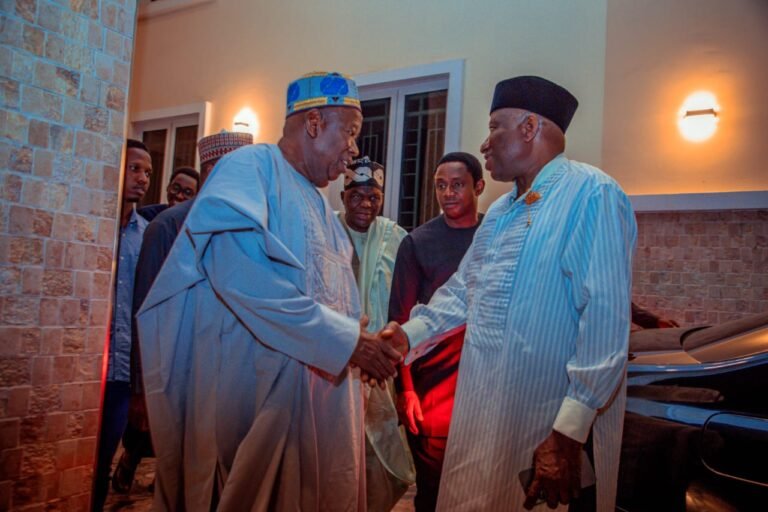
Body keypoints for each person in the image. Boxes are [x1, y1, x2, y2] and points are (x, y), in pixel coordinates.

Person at [136, 72, 404, 511]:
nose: (354, 149)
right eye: (350, 133)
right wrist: (349, 343)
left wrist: (364, 343)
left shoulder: (319, 202)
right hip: (257, 401)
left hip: (320, 401)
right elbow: (245, 278)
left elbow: (335, 297)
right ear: (314, 123)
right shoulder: (250, 169)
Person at [384, 76, 637, 511]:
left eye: (494, 127)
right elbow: (463, 291)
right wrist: (407, 336)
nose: (485, 144)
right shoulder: (501, 210)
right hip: (483, 416)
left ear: (529, 127)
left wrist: (567, 433)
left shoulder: (592, 193)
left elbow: (605, 319)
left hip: (547, 427)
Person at [110, 131, 253, 495]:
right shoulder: (168, 226)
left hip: (227, 383)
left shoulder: (248, 227)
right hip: (178, 379)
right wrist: (142, 392)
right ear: (212, 171)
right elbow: (146, 312)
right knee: (182, 483)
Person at [389, 151, 485, 512]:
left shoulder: (493, 236)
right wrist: (407, 390)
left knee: (476, 487)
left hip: (482, 380)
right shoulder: (418, 242)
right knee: (434, 490)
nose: (448, 194)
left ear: (479, 186)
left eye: (457, 185)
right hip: (432, 388)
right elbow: (399, 321)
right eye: (441, 186)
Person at [337, 157, 415, 511]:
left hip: (382, 363)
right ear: (343, 196)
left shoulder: (396, 238)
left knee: (378, 455)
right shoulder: (327, 232)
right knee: (338, 452)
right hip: (334, 362)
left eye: (373, 197)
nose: (366, 204)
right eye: (357, 196)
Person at [92, 139, 152, 511]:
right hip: (85, 367)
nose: (142, 178)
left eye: (147, 171)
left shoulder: (146, 233)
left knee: (102, 462)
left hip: (121, 373)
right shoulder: (91, 225)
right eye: (134, 168)